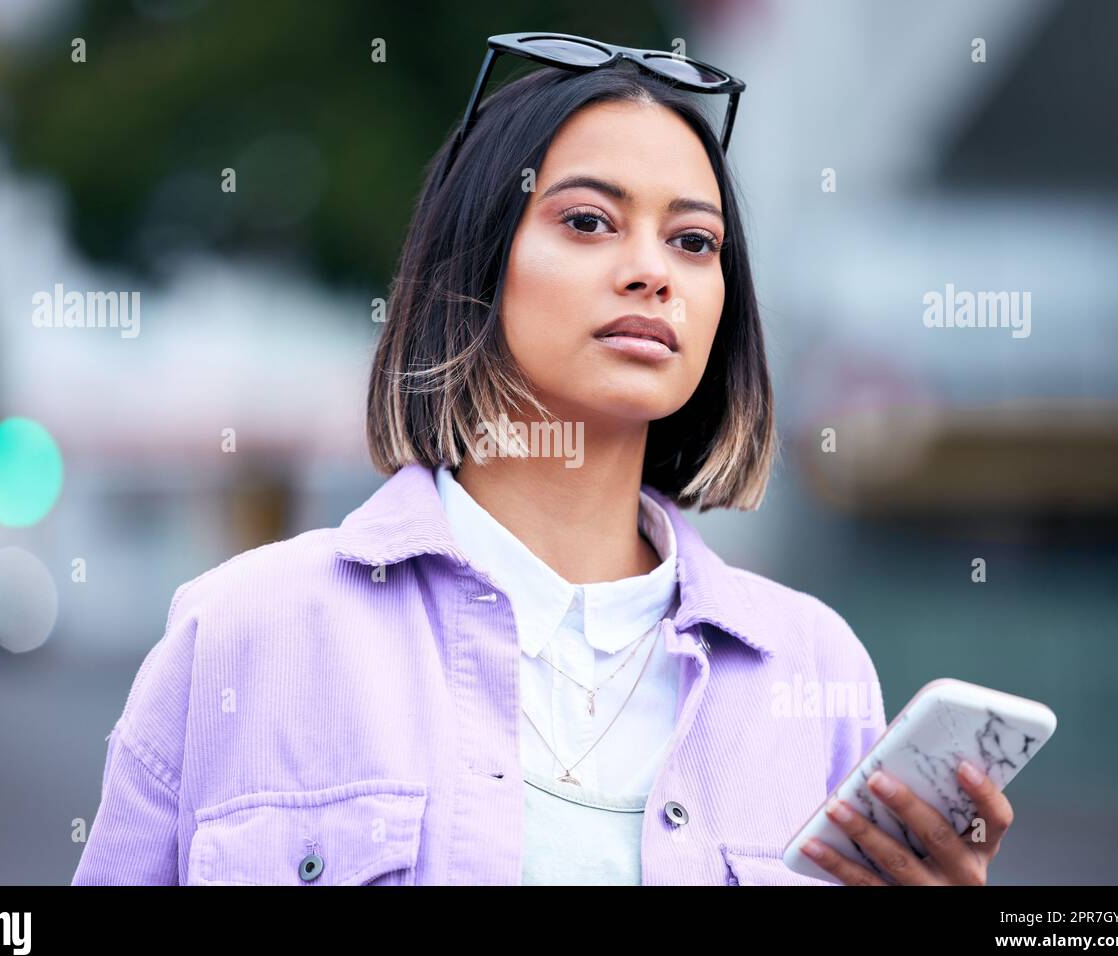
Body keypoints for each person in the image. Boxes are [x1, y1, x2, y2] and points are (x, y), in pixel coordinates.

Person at [73, 33, 1013, 886]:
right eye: (589, 222)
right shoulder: (245, 631)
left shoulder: (813, 668)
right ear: (476, 259)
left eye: (694, 241)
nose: (652, 270)